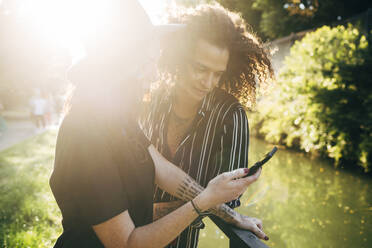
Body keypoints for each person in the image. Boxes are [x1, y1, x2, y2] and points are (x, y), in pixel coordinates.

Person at [49, 1, 267, 247]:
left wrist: (230, 213)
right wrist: (204, 201)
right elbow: (129, 243)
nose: (154, 74)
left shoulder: (117, 118)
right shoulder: (87, 132)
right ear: (121, 67)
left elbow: (161, 168)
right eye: (147, 63)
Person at [142, 4, 274, 248]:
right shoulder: (152, 97)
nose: (208, 82)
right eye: (200, 68)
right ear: (180, 57)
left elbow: (227, 202)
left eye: (217, 74)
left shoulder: (230, 116)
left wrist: (141, 212)